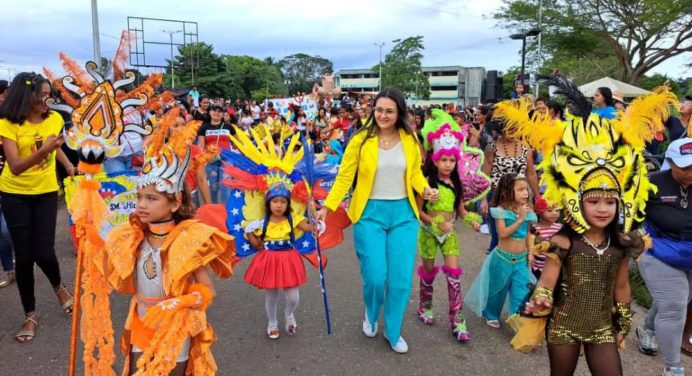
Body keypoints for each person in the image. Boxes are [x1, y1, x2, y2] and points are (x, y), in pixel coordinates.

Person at [516, 77, 674, 375]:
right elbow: (548, 282)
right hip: (563, 326)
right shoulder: (562, 241)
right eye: (594, 201)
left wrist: (623, 323)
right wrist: (540, 299)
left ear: (619, 204)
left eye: (609, 202)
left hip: (601, 328)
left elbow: (623, 287)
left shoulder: (621, 243)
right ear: (577, 202)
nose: (603, 208)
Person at [98, 116, 235, 375]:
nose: (141, 204)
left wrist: (177, 303)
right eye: (139, 197)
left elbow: (207, 291)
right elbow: (99, 253)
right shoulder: (132, 236)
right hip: (142, 320)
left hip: (175, 326)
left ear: (174, 203)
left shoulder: (186, 240)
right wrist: (85, 213)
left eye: (151, 198)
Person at [317, 87, 439, 354]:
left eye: (389, 111)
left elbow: (416, 175)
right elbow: (345, 177)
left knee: (399, 281)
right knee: (375, 276)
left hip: (404, 215)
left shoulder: (410, 140)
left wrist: (425, 189)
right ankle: (371, 313)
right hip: (369, 214)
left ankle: (393, 330)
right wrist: (327, 206)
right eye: (379, 110)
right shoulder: (360, 140)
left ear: (399, 114)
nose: (383, 115)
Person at [0, 72, 77, 342]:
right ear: (27, 96)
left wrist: (68, 167)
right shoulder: (8, 123)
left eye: (48, 94)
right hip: (15, 194)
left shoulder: (54, 119)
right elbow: (16, 167)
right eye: (42, 95)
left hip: (45, 193)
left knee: (44, 251)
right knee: (24, 257)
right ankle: (30, 314)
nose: (48, 99)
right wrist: (43, 150)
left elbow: (56, 147)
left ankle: (59, 288)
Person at [416, 110, 481, 342]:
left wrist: (471, 219)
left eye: (452, 160)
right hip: (428, 233)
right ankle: (425, 306)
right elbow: (419, 212)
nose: (448, 164)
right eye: (444, 159)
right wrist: (435, 222)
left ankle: (457, 320)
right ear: (435, 159)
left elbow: (461, 211)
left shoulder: (456, 183)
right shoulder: (426, 182)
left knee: (454, 275)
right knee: (429, 272)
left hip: (449, 233)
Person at [637, 138, 692, 376]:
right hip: (659, 250)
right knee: (674, 306)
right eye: (686, 166)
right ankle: (673, 368)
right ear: (670, 162)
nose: (691, 172)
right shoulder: (650, 184)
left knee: (681, 298)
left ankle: (648, 329)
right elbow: (629, 219)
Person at [465, 173, 537, 329]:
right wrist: (519, 219)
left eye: (526, 189)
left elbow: (528, 234)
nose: (526, 193)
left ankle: (519, 322)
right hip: (502, 258)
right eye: (520, 190)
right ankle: (491, 314)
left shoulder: (528, 212)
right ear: (508, 191)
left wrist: (530, 253)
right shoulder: (500, 211)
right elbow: (502, 234)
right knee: (497, 290)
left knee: (522, 291)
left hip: (521, 259)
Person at [479, 104, 540, 254]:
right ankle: (495, 269)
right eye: (509, 129)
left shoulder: (526, 148)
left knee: (520, 234)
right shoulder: (491, 147)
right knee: (498, 236)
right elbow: (485, 175)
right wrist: (484, 199)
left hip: (520, 198)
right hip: (497, 196)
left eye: (515, 129)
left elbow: (531, 173)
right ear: (501, 129)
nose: (512, 132)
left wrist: (537, 196)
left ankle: (516, 268)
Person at [197, 104, 236, 204]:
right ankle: (213, 211)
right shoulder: (204, 128)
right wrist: (201, 160)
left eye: (219, 111)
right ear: (210, 112)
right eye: (214, 110)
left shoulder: (229, 127)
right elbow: (200, 146)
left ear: (223, 114)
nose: (217, 113)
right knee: (213, 187)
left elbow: (238, 143)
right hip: (211, 160)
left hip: (226, 160)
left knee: (226, 186)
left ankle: (227, 212)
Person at [530, 196, 562, 279]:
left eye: (557, 210)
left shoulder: (560, 228)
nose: (555, 213)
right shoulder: (534, 229)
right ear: (540, 212)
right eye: (549, 210)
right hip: (537, 269)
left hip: (554, 268)